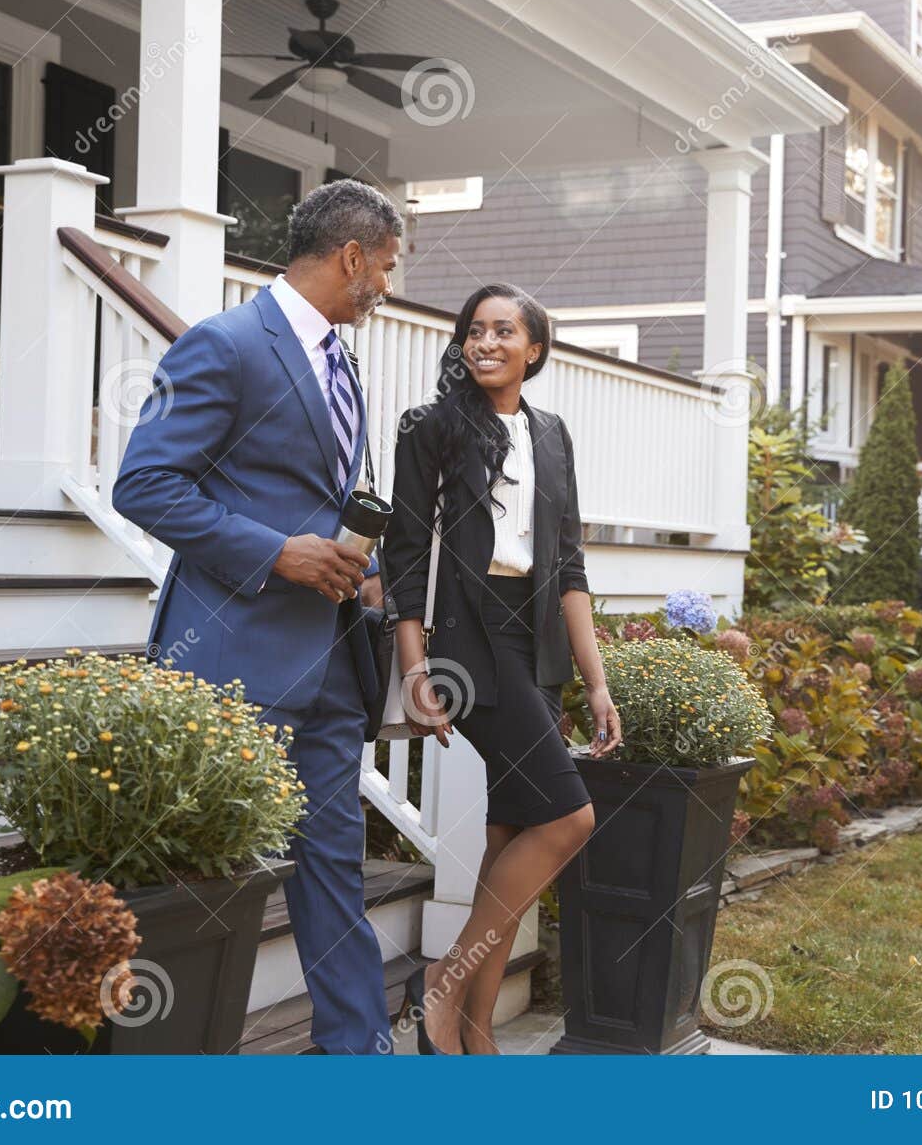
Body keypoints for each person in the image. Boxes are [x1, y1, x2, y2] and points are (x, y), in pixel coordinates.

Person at [112, 179, 401, 1055]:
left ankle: (362, 1060)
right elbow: (145, 484)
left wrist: (368, 570)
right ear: (351, 258)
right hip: (231, 661)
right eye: (385, 268)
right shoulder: (225, 344)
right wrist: (279, 552)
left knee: (333, 877)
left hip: (335, 665)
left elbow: (323, 494)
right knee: (197, 882)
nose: (386, 286)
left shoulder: (342, 360)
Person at [382, 282, 623, 1054]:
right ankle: (442, 988)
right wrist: (417, 669)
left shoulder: (552, 434)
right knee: (569, 817)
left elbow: (571, 563)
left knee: (511, 830)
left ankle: (475, 1035)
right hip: (470, 643)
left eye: (503, 330)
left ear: (535, 349)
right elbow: (407, 553)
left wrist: (595, 679)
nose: (485, 341)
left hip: (537, 645)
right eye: (474, 330)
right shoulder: (431, 428)